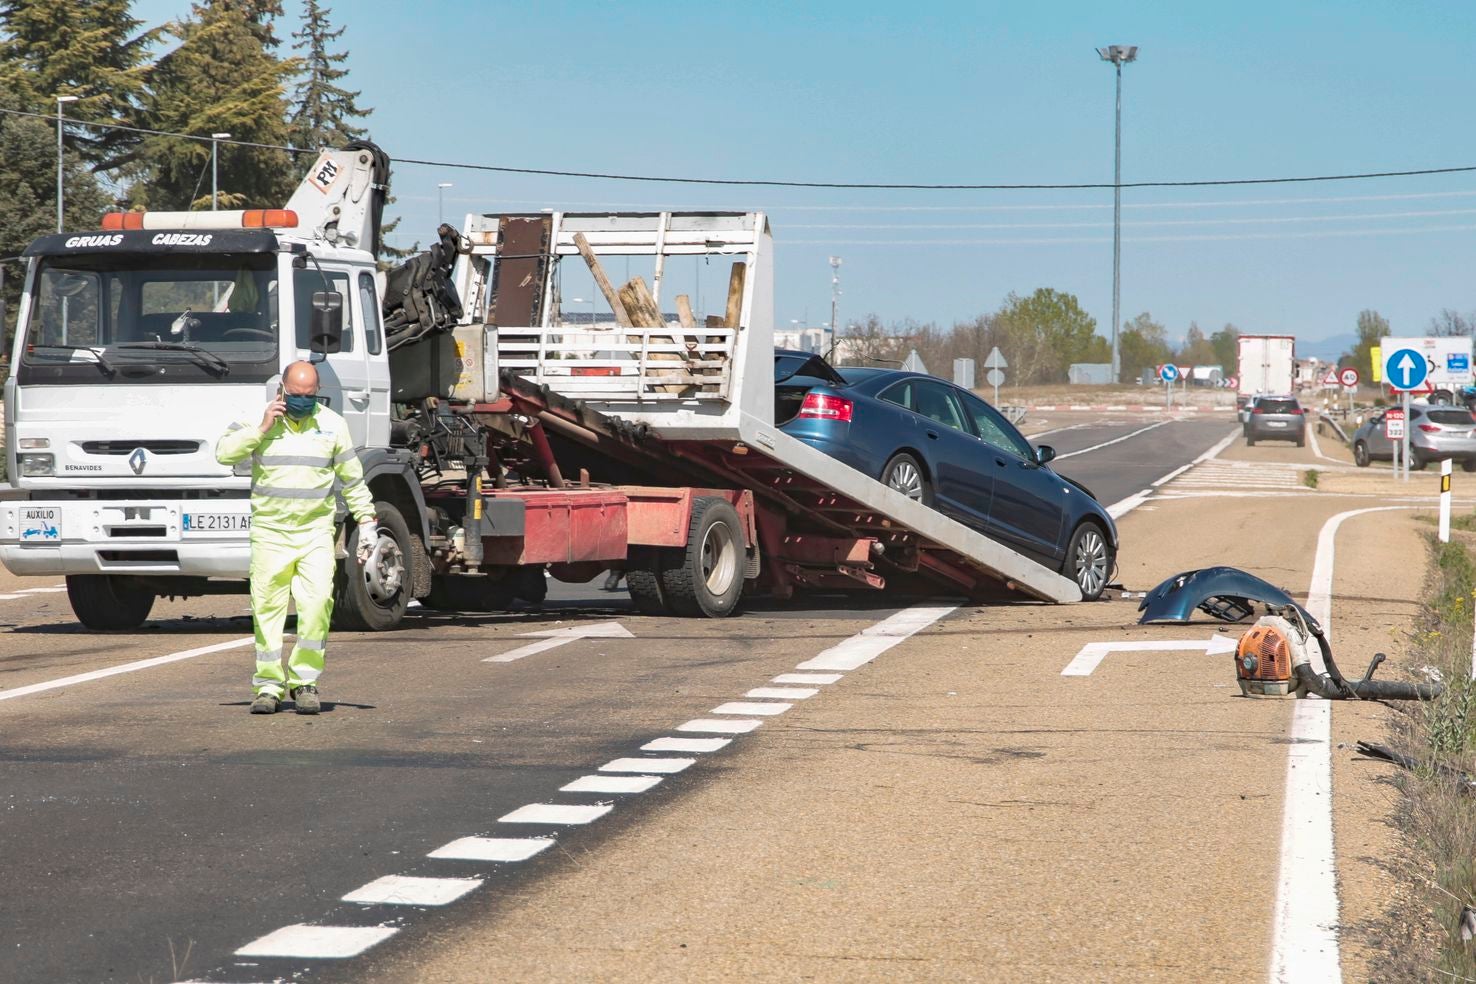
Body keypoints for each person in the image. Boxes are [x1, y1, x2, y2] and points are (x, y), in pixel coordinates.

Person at [216, 361, 378, 715]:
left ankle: (305, 682)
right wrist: (261, 428)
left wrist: (366, 521)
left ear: (317, 392)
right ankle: (269, 686)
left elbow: (352, 479)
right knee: (267, 610)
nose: (303, 401)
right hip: (270, 533)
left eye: (310, 395)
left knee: (318, 604)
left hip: (314, 532)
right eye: (295, 395)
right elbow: (224, 453)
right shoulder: (257, 420)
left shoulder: (332, 425)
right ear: (281, 390)